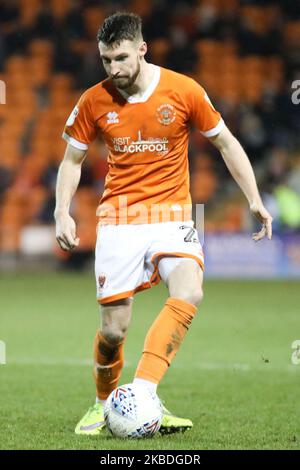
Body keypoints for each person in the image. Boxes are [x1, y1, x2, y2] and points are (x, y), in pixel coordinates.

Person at [54, 12, 273, 436]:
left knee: (190, 289)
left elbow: (226, 143)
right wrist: (62, 210)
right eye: (105, 60)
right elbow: (71, 160)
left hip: (172, 213)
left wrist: (254, 198)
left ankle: (142, 396)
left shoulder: (183, 90)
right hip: (119, 217)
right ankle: (103, 404)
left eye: (120, 58)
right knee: (114, 331)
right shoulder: (93, 100)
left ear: (142, 48)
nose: (113, 69)